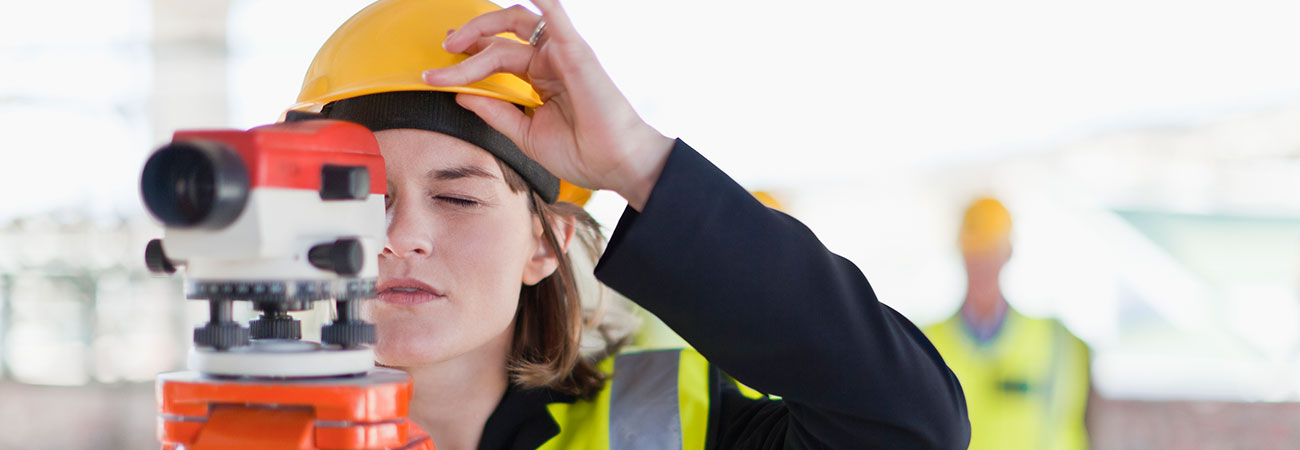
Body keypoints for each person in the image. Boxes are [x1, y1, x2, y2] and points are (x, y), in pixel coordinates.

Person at [292, 0, 970, 448]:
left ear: (545, 245)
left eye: (458, 199)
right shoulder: (247, 429)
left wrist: (640, 164)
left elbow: (908, 428)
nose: (398, 236)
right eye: (363, 197)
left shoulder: (669, 429)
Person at [923, 198, 1090, 450]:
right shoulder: (924, 343)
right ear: (961, 253)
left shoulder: (1057, 341)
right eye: (976, 254)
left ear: (1007, 254)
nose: (983, 264)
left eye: (990, 253)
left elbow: (1068, 433)